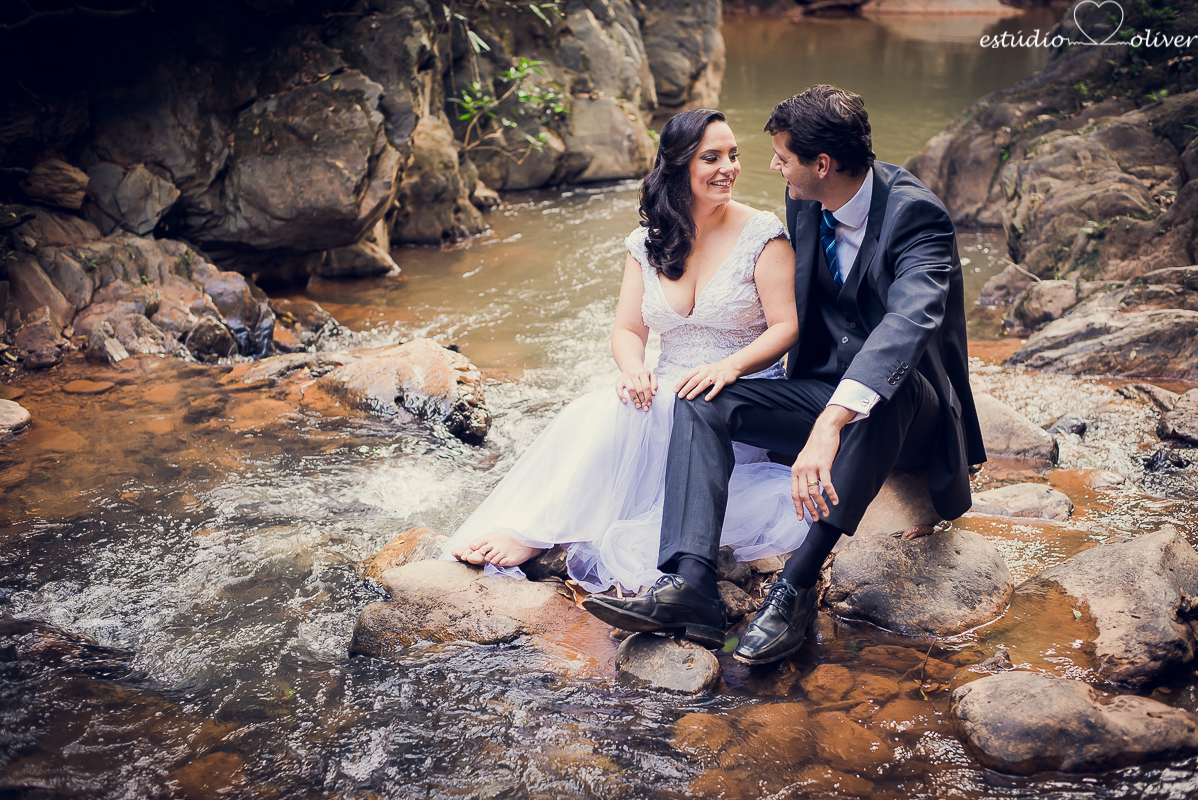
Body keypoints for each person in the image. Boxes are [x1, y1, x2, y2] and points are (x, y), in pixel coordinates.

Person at [584, 85, 987, 663]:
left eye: (782, 157)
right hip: (816, 386)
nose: (770, 167)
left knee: (886, 393)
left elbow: (906, 325)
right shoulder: (803, 201)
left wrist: (832, 421)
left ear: (821, 164)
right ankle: (689, 583)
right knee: (701, 396)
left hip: (907, 408)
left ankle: (793, 589)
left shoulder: (916, 215)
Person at [443, 110, 810, 635]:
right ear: (678, 165)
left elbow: (785, 327)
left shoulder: (763, 235)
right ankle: (534, 529)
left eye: (733, 155)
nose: (728, 167)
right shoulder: (649, 242)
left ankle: (544, 534)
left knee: (669, 410)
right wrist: (633, 368)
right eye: (712, 157)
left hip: (738, 390)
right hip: (666, 381)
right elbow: (627, 330)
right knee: (601, 406)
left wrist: (728, 366)